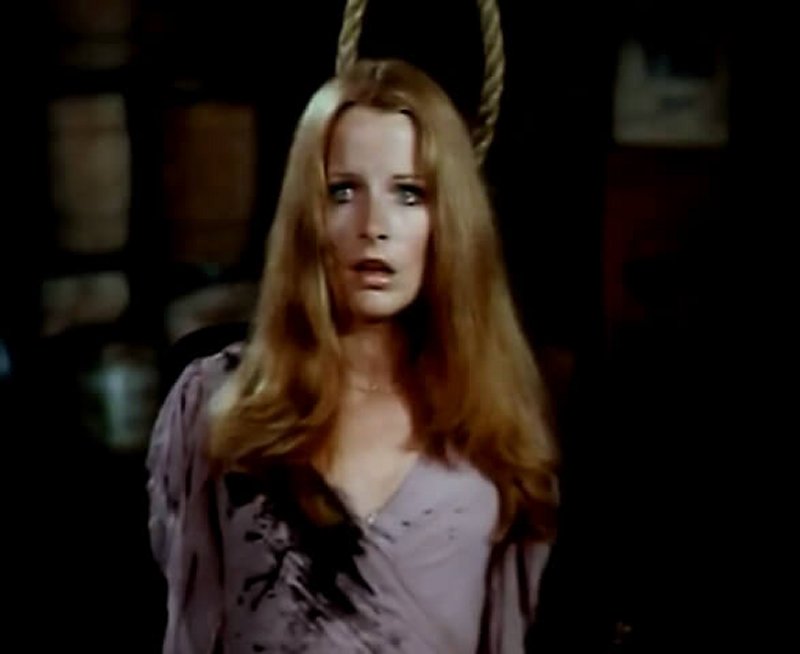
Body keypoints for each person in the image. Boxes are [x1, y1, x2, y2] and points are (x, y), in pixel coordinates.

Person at [147, 58, 558, 654]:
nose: (374, 227)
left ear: (450, 219)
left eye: (408, 194)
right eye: (343, 192)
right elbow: (187, 626)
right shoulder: (216, 403)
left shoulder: (496, 428)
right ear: (306, 216)